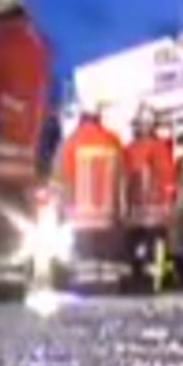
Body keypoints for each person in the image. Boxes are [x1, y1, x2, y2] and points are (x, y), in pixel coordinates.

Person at [0, 0, 54, 262]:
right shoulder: (37, 45)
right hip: (26, 157)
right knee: (21, 217)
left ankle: (1, 273)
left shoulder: (3, 45)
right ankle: (19, 270)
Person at [56, 108, 126, 280]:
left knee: (85, 251)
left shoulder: (71, 142)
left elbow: (64, 179)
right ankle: (108, 279)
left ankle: (87, 278)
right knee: (106, 249)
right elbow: (123, 174)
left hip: (81, 214)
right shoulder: (113, 140)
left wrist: (62, 210)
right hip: (107, 212)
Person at [123, 111, 179, 288]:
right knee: (148, 244)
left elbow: (166, 176)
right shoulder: (152, 148)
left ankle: (149, 276)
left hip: (144, 208)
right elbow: (167, 175)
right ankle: (151, 277)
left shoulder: (137, 148)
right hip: (145, 208)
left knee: (146, 244)